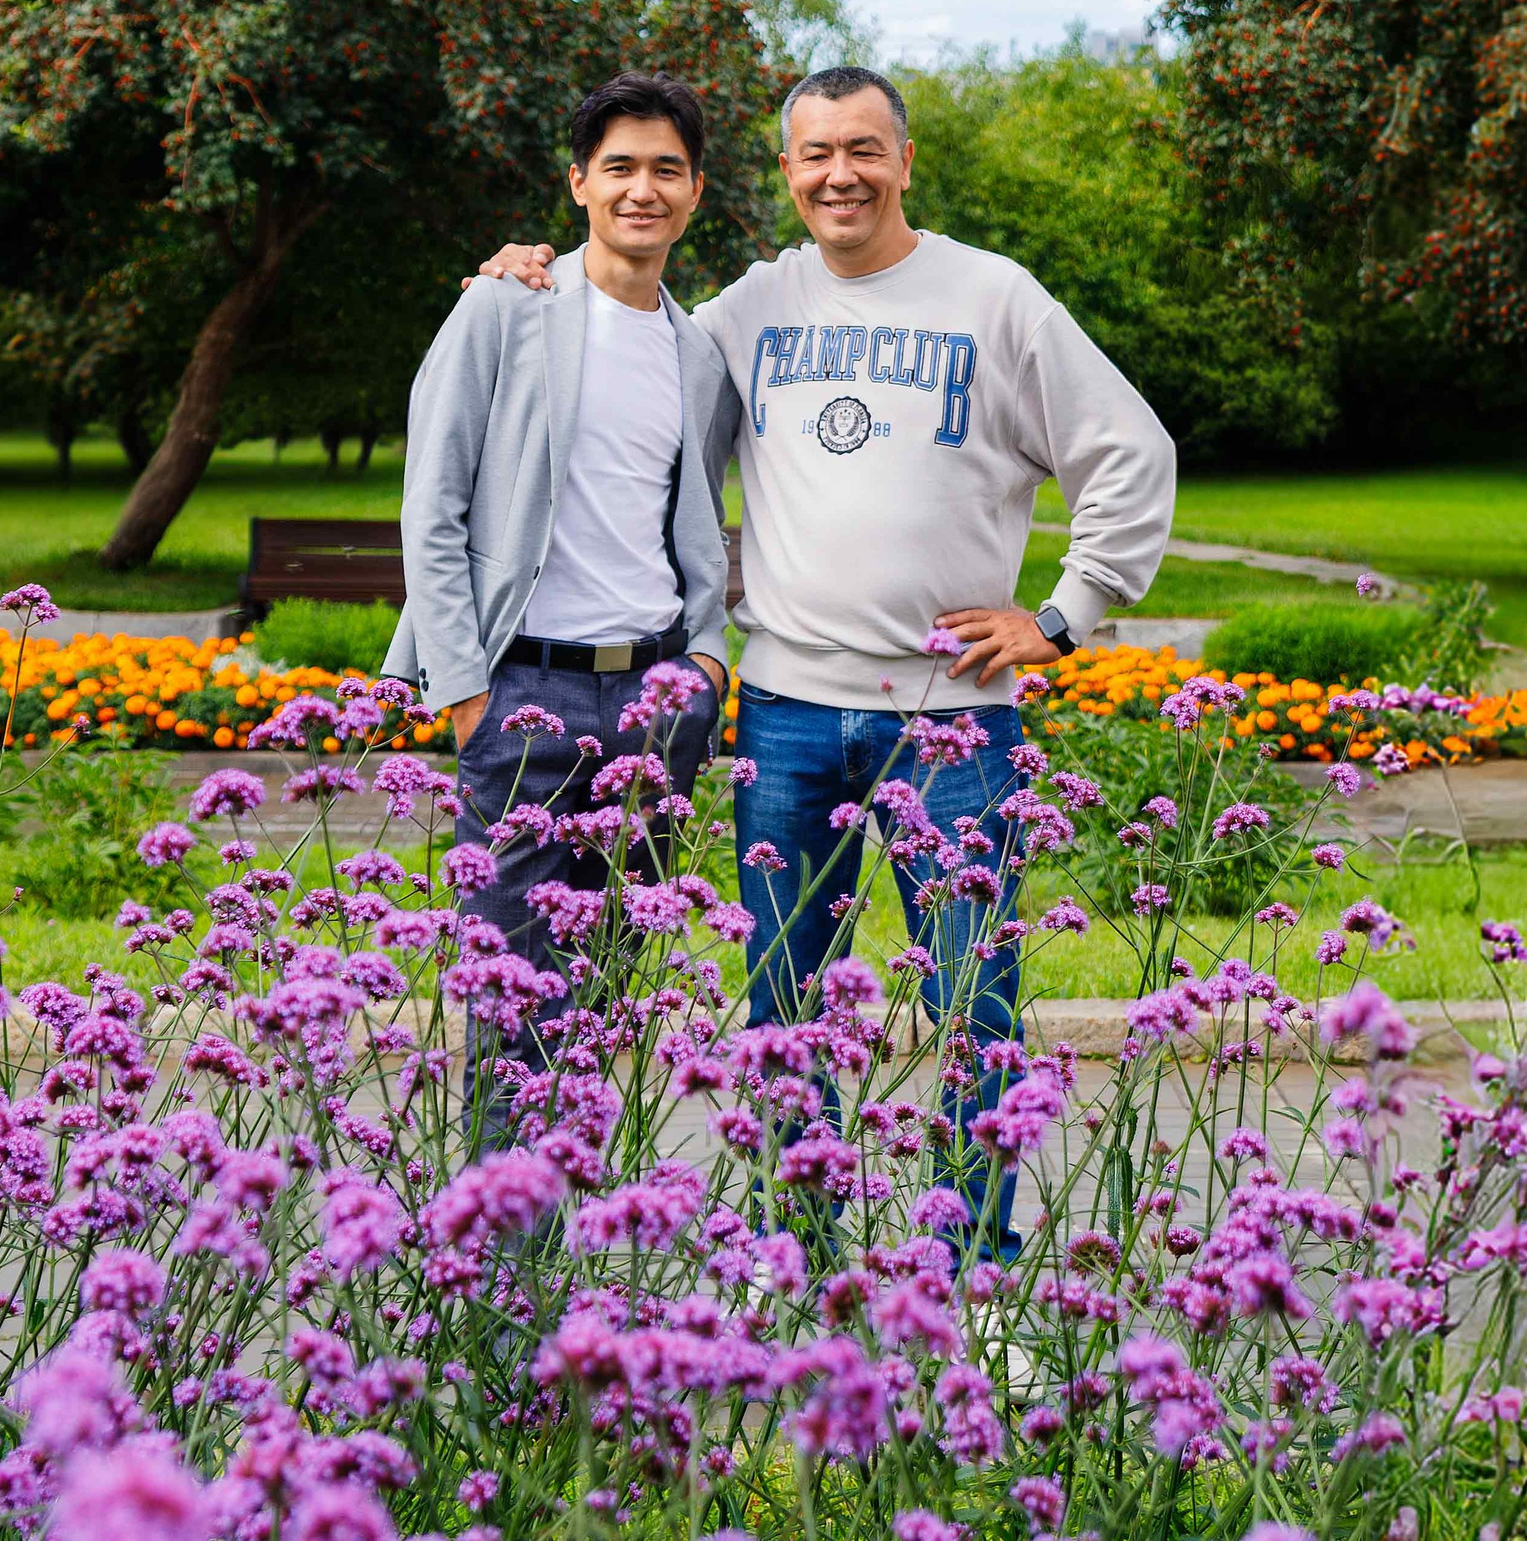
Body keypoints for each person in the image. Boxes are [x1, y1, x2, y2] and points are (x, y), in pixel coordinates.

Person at [471, 63, 1176, 1255]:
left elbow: (1129, 448)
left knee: (972, 1002)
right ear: (786, 170)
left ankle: (974, 1267)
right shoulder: (750, 307)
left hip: (952, 721)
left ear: (903, 161)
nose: (837, 173)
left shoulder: (995, 299)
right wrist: (521, 278)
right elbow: (628, 361)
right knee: (783, 1006)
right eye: (813, 153)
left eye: (862, 148)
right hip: (786, 714)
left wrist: (1062, 614)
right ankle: (799, 1249)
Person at [389, 70, 739, 1135]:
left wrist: (709, 667)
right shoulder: (508, 308)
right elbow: (433, 503)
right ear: (579, 181)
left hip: (656, 706)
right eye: (620, 167)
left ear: (694, 191)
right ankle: (501, 1288)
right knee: (511, 1012)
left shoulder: (701, 350)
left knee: (598, 1015)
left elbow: (694, 519)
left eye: (665, 170)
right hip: (520, 700)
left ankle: (577, 1276)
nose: (643, 189)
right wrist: (462, 693)